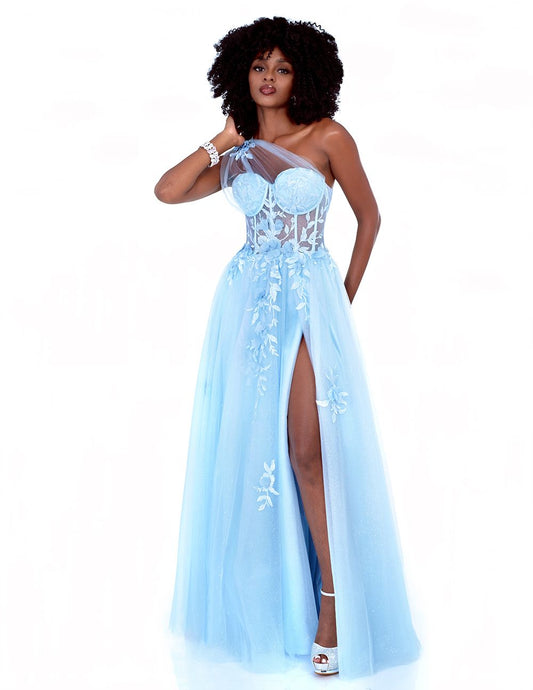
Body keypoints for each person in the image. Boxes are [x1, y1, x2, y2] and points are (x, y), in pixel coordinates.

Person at [155, 15, 421, 681]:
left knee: (306, 449)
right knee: (250, 449)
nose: (268, 78)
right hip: (246, 307)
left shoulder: (328, 137)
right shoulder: (239, 153)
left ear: (302, 74)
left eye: (281, 67)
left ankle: (333, 602)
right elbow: (167, 191)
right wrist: (221, 140)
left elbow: (370, 218)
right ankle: (272, 605)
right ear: (240, 74)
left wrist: (339, 303)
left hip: (307, 301)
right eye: (257, 67)